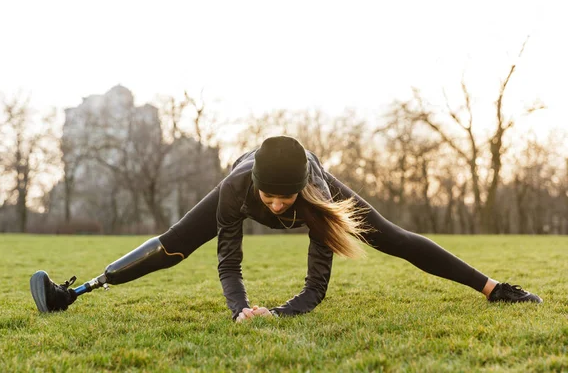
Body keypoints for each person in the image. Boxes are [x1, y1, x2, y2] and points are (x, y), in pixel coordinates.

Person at [30, 136, 542, 322]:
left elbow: (316, 287)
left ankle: (495, 289)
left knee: (396, 239)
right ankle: (74, 293)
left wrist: (279, 312)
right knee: (173, 244)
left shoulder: (318, 195)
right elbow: (228, 261)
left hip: (321, 189)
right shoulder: (236, 189)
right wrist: (240, 312)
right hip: (236, 184)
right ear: (254, 186)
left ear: (302, 189)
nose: (276, 207)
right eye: (269, 197)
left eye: (285, 197)